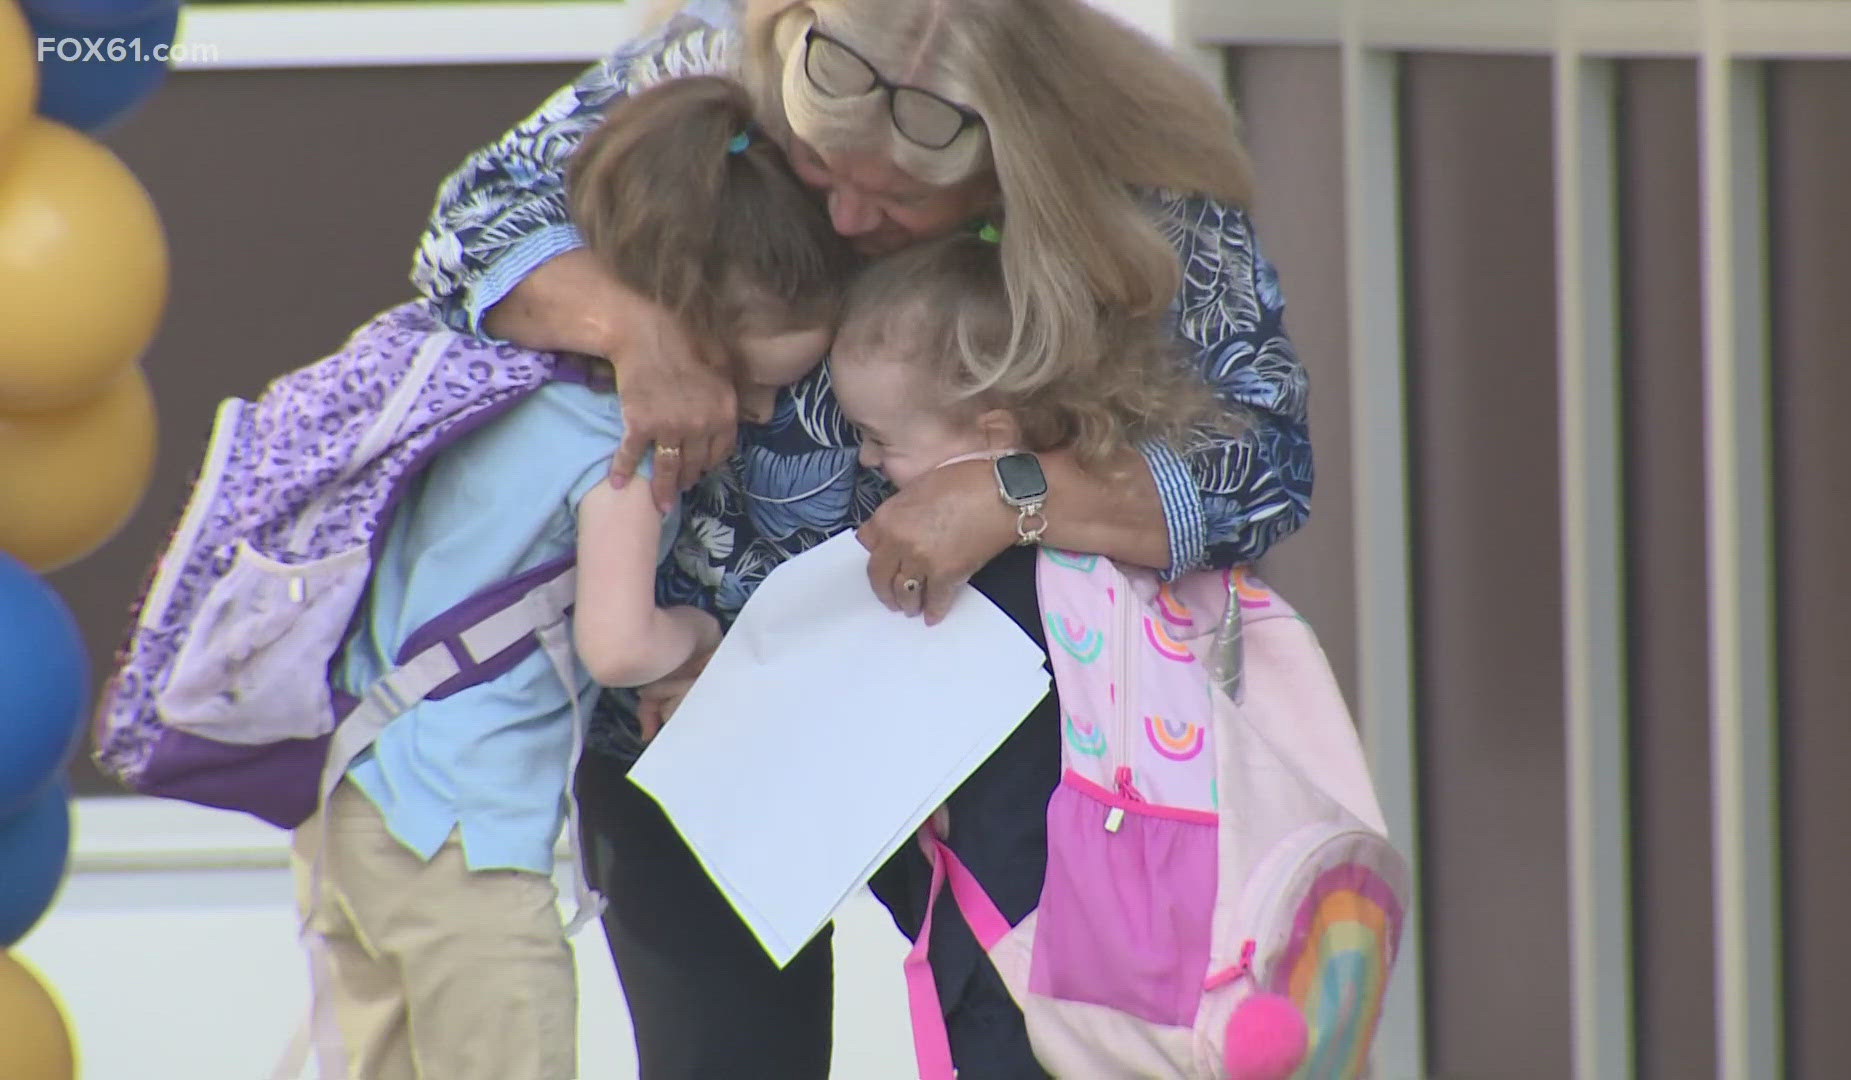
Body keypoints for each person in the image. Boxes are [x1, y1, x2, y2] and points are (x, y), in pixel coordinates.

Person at [409, 0, 1315, 1074]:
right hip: (673, 714)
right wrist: (640, 330)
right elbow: (471, 226)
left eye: (897, 200)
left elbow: (1258, 461)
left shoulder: (1131, 163)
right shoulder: (712, 51)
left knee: (1030, 1046)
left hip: (987, 715)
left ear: (1011, 163)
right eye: (817, 167)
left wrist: (1009, 493)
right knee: (722, 1059)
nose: (843, 219)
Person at [291, 74, 854, 1080]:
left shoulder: (510, 380)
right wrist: (697, 639)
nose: (765, 412)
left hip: (352, 800)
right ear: (685, 330)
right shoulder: (624, 451)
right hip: (464, 837)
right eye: (756, 379)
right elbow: (618, 642)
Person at [834, 231, 1236, 1075]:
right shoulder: (1111, 552)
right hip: (1130, 955)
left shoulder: (963, 591)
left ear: (993, 431)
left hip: (1003, 953)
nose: (868, 463)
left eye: (880, 438)